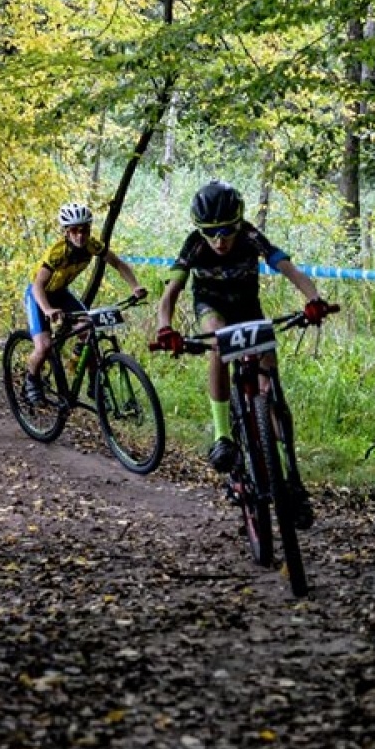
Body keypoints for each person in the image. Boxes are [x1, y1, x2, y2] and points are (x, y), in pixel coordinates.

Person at [153, 179, 336, 524]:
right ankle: (223, 435)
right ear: (199, 230)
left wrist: (313, 300)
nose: (219, 240)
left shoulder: (251, 236)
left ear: (238, 223)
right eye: (211, 232)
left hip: (248, 309)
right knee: (218, 342)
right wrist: (165, 326)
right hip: (212, 307)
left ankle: (289, 472)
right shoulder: (194, 245)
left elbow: (288, 267)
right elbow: (172, 291)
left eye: (226, 231)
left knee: (271, 389)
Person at [22, 202, 146, 405]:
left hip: (61, 294)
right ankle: (31, 381)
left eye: (85, 230)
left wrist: (135, 286)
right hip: (39, 296)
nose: (80, 235)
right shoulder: (57, 253)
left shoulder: (92, 245)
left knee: (89, 332)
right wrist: (47, 309)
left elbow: (118, 263)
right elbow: (37, 286)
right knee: (43, 346)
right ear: (66, 232)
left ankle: (94, 386)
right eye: (74, 231)